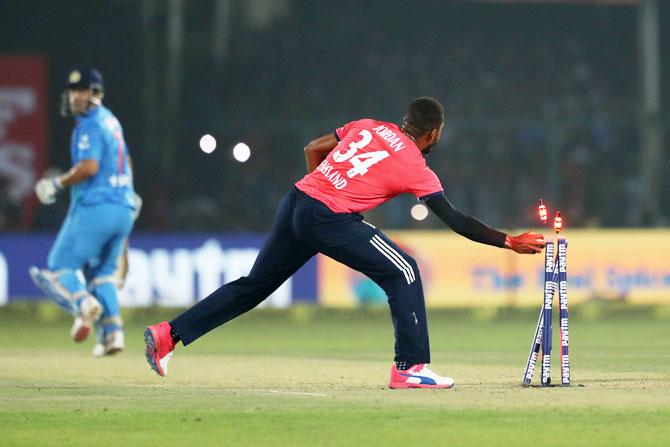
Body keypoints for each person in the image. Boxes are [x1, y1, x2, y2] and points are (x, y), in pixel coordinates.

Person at [144, 97, 545, 388]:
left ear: (403, 120)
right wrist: (510, 242)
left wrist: (325, 189)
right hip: (325, 216)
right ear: (434, 133)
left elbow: (313, 148)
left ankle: (168, 334)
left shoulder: (367, 125)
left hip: (297, 202)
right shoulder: (415, 165)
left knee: (253, 286)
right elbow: (455, 219)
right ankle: (410, 367)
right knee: (404, 271)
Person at [30, 67, 138, 357]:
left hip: (97, 206)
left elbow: (90, 167)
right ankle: (113, 334)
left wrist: (57, 182)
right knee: (103, 273)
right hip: (123, 207)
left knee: (59, 264)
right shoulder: (112, 121)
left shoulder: (89, 123)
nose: (74, 96)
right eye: (72, 91)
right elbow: (126, 158)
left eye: (80, 90)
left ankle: (82, 303)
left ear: (95, 93)